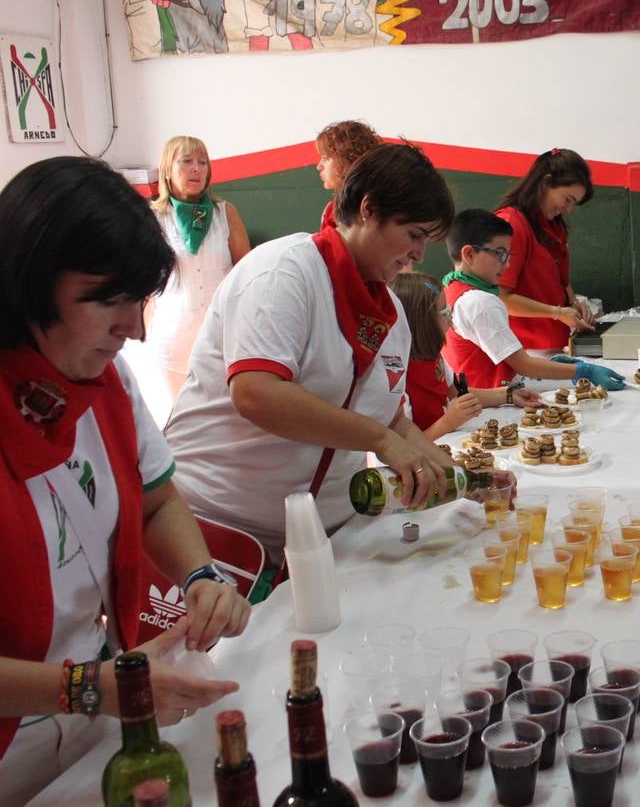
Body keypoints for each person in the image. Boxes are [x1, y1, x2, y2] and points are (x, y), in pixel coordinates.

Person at [0, 157, 250, 805]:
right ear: (29, 282)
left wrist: (200, 577)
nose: (133, 329)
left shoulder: (101, 377)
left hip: (96, 717)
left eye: (139, 300)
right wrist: (88, 686)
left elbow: (155, 502)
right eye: (110, 301)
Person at [164, 144, 459, 564]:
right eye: (414, 235)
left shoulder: (391, 311)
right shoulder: (284, 272)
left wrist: (462, 476)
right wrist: (383, 442)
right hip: (220, 528)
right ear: (369, 210)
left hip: (321, 537)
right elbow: (256, 393)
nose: (419, 254)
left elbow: (390, 418)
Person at [441, 209, 626, 391]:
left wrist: (553, 366)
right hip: (493, 404)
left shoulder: (451, 287)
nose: (507, 264)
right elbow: (523, 365)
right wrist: (583, 370)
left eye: (508, 255)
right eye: (500, 253)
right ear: (469, 254)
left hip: (485, 393)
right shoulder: (480, 302)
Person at [135, 136, 251, 422]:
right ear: (166, 170)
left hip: (221, 337)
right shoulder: (153, 217)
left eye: (202, 162)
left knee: (226, 421)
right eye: (186, 161)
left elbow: (248, 273)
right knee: (176, 421)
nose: (196, 169)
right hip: (173, 339)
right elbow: (142, 283)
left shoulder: (225, 212)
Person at [388, 271, 542, 438]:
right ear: (421, 323)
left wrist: (507, 394)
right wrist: (449, 421)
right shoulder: (394, 375)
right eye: (445, 313)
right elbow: (402, 447)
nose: (451, 320)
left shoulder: (431, 355)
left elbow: (456, 393)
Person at [494, 149, 598, 350]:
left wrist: (574, 304)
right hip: (524, 352)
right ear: (545, 183)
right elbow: (500, 297)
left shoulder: (553, 225)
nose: (568, 209)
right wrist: (557, 312)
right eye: (567, 199)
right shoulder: (511, 225)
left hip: (554, 346)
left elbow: (561, 280)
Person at [316, 119, 384, 229]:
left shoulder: (375, 207)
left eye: (326, 158)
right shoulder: (333, 208)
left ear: (349, 159)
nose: (319, 166)